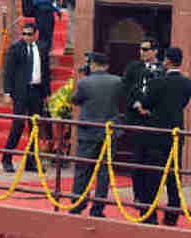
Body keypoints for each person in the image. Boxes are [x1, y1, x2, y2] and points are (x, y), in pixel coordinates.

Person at [135, 47, 191, 226]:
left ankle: (149, 215)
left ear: (167, 60)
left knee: (153, 176)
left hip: (157, 134)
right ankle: (172, 215)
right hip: (176, 133)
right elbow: (182, 104)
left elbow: (145, 104)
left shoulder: (157, 83)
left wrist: (144, 108)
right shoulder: (187, 83)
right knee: (174, 175)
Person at [68, 52, 123, 218]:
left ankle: (78, 204)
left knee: (82, 169)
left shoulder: (85, 82)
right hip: (108, 132)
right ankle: (98, 208)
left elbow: (76, 100)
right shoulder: (117, 81)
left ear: (92, 64)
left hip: (88, 132)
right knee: (104, 172)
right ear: (106, 66)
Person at [1, 22, 52, 173]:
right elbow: (8, 72)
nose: (26, 37)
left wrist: (46, 93)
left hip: (36, 91)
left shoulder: (42, 48)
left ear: (35, 34)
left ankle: (31, 161)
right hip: (21, 92)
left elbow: (46, 72)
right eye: (24, 34)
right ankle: (7, 158)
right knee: (17, 125)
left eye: (29, 34)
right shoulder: (16, 48)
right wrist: (7, 93)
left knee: (34, 127)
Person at [122, 38, 164, 217]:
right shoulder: (133, 67)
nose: (142, 52)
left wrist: (152, 109)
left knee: (153, 163)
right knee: (137, 161)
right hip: (137, 120)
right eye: (140, 49)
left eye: (146, 49)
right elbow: (126, 88)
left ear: (155, 51)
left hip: (155, 122)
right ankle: (139, 195)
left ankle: (150, 199)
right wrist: (137, 105)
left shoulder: (163, 69)